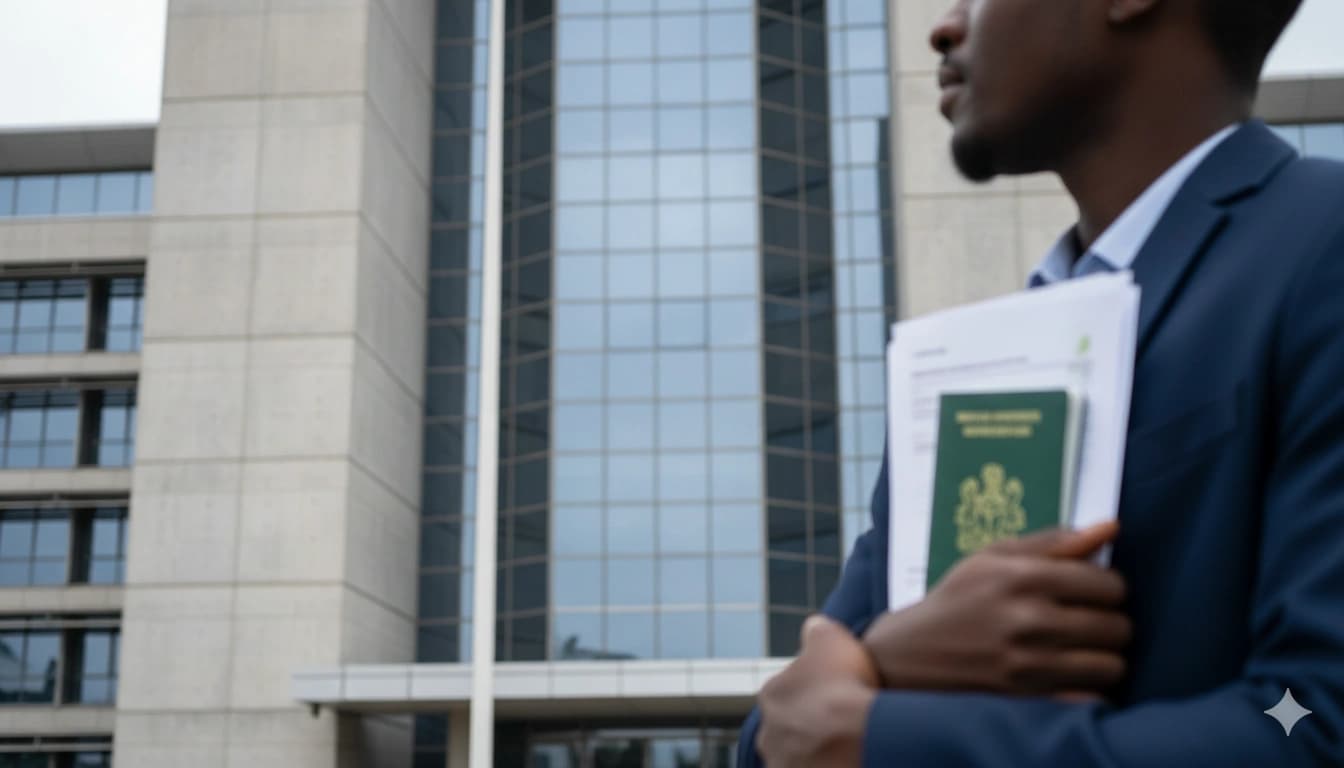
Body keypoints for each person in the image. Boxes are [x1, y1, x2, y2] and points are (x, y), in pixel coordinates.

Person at [738, 0, 1344, 765]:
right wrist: (888, 658)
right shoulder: (969, 361)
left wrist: (882, 731)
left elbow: (1312, 718)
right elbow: (782, 730)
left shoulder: (1320, 249)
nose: (944, 27)